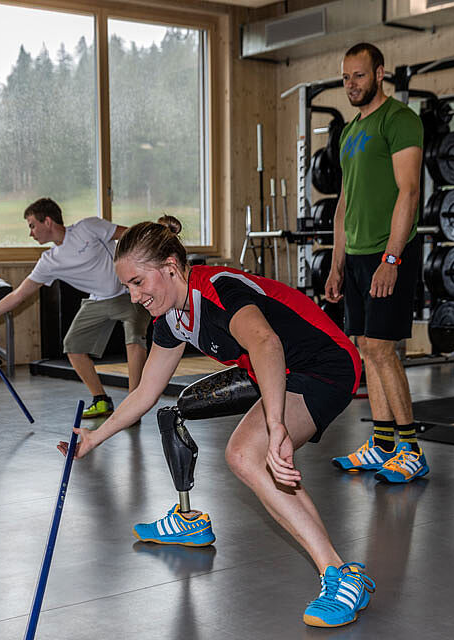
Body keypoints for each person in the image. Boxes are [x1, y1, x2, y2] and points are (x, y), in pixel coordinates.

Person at [58, 217, 376, 628]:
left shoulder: (219, 291)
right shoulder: (172, 318)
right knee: (244, 453)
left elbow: (266, 341)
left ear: (171, 267)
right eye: (128, 288)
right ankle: (194, 524)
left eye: (138, 282)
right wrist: (94, 438)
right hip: (279, 371)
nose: (134, 297)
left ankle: (340, 576)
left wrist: (276, 424)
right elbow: (145, 392)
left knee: (248, 454)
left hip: (325, 364)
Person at [324, 42, 429, 483]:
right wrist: (336, 264)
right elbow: (345, 202)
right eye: (346, 77)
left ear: (380, 74)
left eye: (359, 76)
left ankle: (410, 448)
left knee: (384, 350)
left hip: (390, 252)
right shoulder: (350, 132)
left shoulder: (400, 120)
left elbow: (409, 192)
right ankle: (382, 443)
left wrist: (392, 257)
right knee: (367, 347)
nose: (351, 84)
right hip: (360, 254)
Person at [0, 198, 149, 416]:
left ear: (48, 221)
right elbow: (19, 295)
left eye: (32, 226)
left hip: (127, 293)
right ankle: (101, 399)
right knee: (73, 346)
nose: (31, 233)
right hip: (98, 300)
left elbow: (131, 235)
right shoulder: (49, 261)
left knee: (134, 339)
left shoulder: (87, 228)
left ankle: (133, 406)